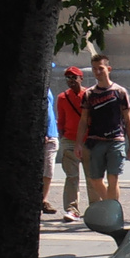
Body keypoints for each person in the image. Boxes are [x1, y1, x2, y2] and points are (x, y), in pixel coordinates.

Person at [75, 53, 130, 204]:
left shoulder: (120, 92)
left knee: (113, 178)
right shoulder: (89, 94)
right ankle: (111, 205)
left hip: (116, 140)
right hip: (95, 140)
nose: (97, 72)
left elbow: (128, 120)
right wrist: (78, 143)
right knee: (95, 179)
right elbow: (83, 121)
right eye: (94, 69)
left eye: (101, 68)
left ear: (109, 69)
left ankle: (112, 210)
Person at [55, 66, 85, 220]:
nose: (70, 81)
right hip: (69, 140)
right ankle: (71, 209)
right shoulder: (62, 98)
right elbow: (61, 120)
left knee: (94, 177)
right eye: (67, 78)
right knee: (72, 176)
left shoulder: (88, 95)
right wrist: (63, 137)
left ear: (81, 78)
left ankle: (95, 208)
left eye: (74, 77)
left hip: (88, 140)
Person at [42, 83, 59, 215]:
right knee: (44, 170)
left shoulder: (47, 88)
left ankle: (43, 199)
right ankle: (40, 200)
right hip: (46, 136)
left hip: (51, 135)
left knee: (48, 171)